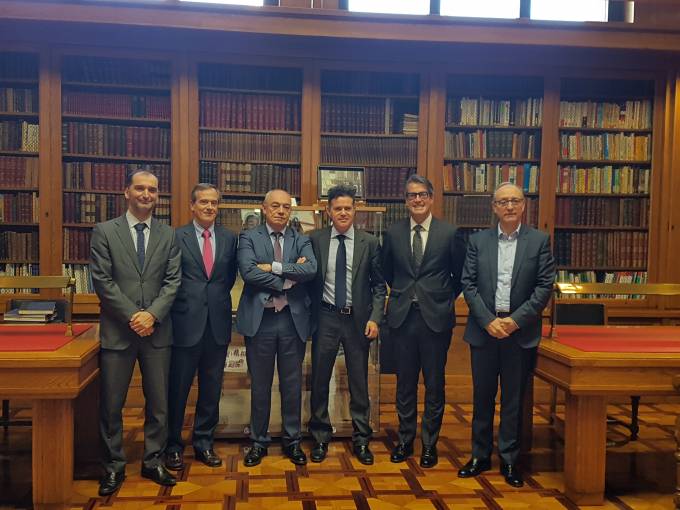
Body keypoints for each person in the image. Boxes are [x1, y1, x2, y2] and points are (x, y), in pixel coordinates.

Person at [90, 170, 181, 496]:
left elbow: (173, 281)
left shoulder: (169, 235)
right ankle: (113, 466)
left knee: (159, 403)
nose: (146, 194)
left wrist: (152, 315)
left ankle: (153, 461)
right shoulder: (104, 231)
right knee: (111, 405)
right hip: (118, 331)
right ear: (126, 191)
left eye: (152, 190)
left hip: (157, 332)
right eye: (140, 188)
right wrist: (134, 316)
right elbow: (102, 281)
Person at [458, 182, 555, 487]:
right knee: (482, 397)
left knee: (513, 399)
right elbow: (468, 284)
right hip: (484, 331)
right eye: (503, 202)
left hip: (519, 333)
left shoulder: (539, 241)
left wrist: (514, 321)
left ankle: (510, 459)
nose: (509, 206)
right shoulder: (478, 241)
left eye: (515, 201)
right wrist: (488, 321)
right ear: (494, 207)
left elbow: (544, 287)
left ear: (523, 205)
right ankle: (480, 455)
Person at [381, 174, 466, 468]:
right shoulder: (393, 233)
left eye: (422, 194)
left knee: (434, 384)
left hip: (435, 319)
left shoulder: (449, 233)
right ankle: (405, 440)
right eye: (411, 195)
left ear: (431, 198)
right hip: (402, 318)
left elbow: (460, 276)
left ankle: (429, 444)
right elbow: (387, 271)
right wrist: (405, 294)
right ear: (406, 201)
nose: (417, 199)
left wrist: (439, 298)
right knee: (405, 384)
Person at [236, 189, 317, 467]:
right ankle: (258, 441)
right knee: (260, 385)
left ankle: (292, 440)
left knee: (292, 385)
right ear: (264, 208)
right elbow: (248, 271)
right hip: (261, 320)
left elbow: (310, 270)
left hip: (292, 320)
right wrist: (288, 279)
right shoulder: (249, 237)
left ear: (290, 211)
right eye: (275, 206)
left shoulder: (301, 239)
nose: (281, 211)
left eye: (285, 207)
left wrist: (272, 267)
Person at [307, 184, 386, 465]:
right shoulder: (315, 240)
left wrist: (375, 317)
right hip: (325, 318)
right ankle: (320, 436)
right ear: (328, 211)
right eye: (337, 208)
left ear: (355, 211)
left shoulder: (370, 242)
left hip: (358, 320)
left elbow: (379, 286)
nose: (343, 213)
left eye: (347, 208)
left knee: (358, 382)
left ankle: (362, 439)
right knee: (320, 379)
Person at [165, 183, 238, 471]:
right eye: (204, 202)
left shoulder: (229, 238)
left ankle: (204, 443)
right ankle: (173, 445)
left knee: (211, 389)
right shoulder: (175, 236)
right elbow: (170, 277)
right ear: (192, 206)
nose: (209, 207)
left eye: (214, 203)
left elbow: (227, 278)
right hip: (185, 323)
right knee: (178, 389)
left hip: (217, 324)